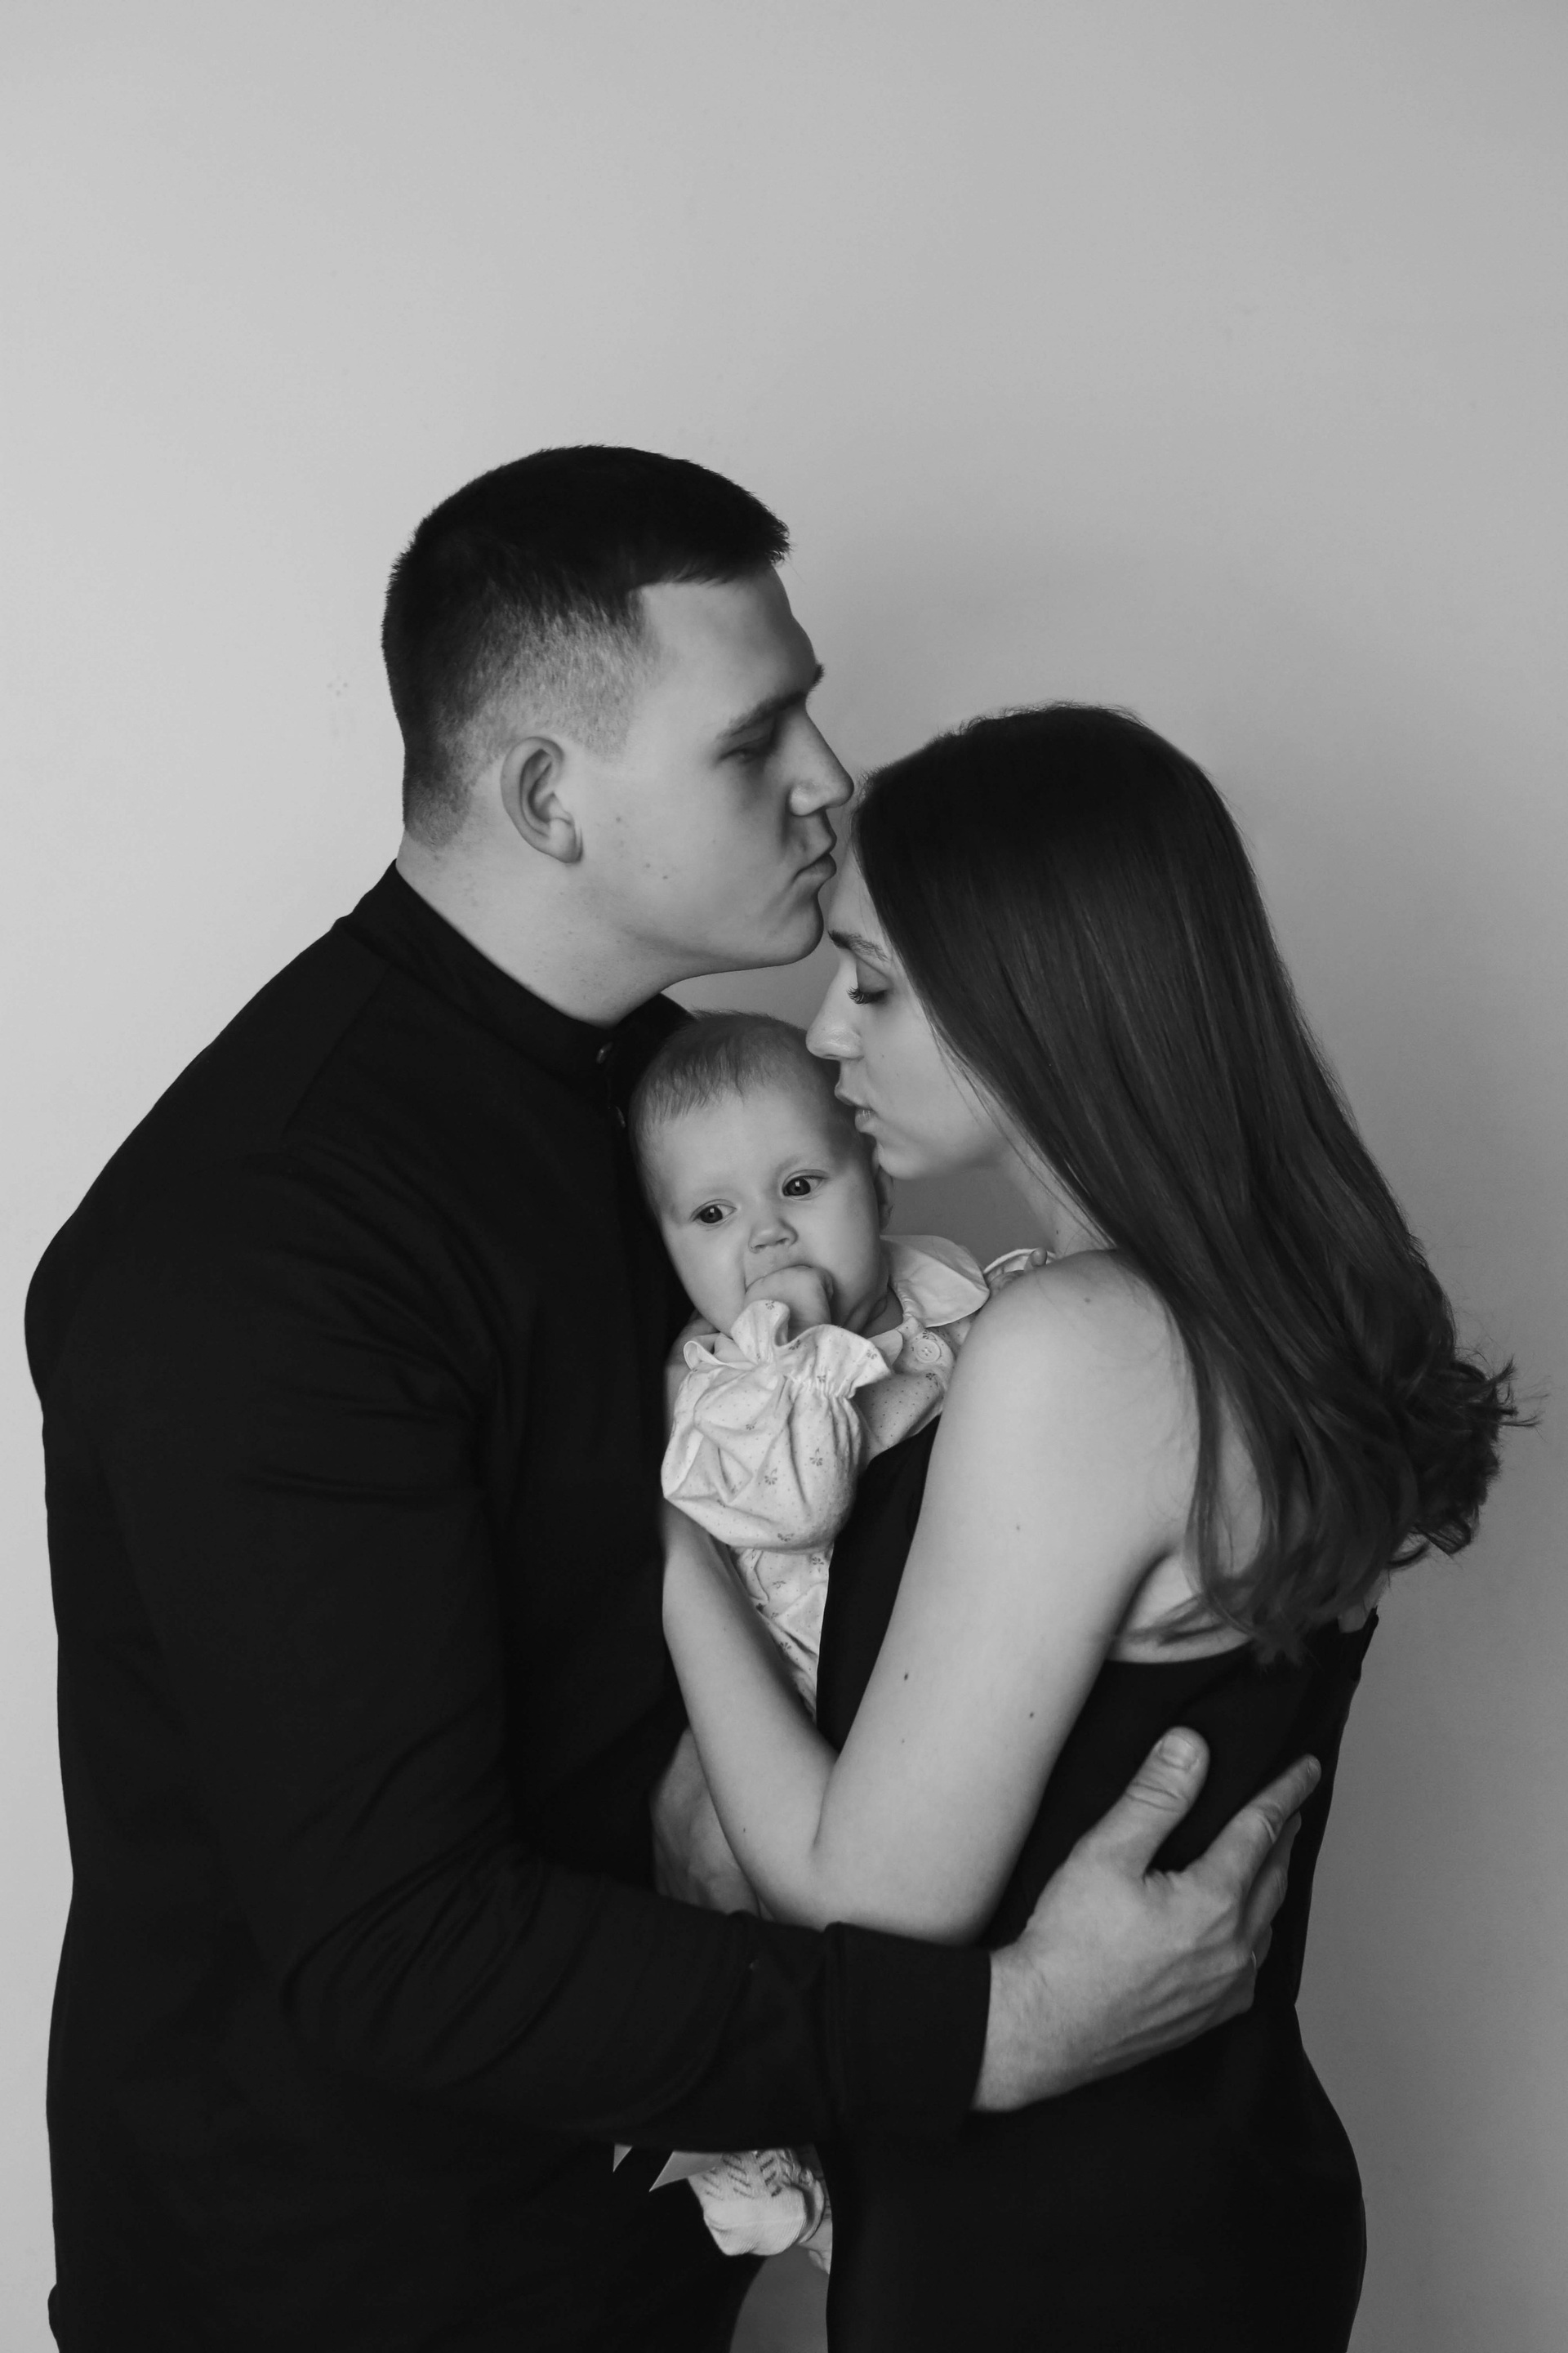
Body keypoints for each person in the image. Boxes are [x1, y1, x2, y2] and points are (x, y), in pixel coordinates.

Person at [26, 449, 1316, 2353]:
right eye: (755, 735)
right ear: (551, 797)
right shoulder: (257, 1245)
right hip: (344, 2292)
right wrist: (999, 2029)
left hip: (658, 2239)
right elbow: (396, 1949)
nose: (829, 777)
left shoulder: (705, 1114)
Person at [660, 703, 1521, 2351]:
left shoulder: (1080, 1344)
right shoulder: (1259, 1310)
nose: (827, 1035)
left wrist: (678, 1550)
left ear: (1032, 992)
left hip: (1049, 2249)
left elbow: (864, 1901)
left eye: (874, 982)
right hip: (1215, 2198)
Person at [632, 1009, 1041, 2264]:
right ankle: (759, 2149)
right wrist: (801, 1347)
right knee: (731, 1912)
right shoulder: (722, 1381)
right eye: (711, 1215)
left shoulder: (942, 1293)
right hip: (778, 1711)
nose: (764, 1236)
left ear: (876, 1176)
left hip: (904, 1704)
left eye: (800, 1186)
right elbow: (799, 1501)